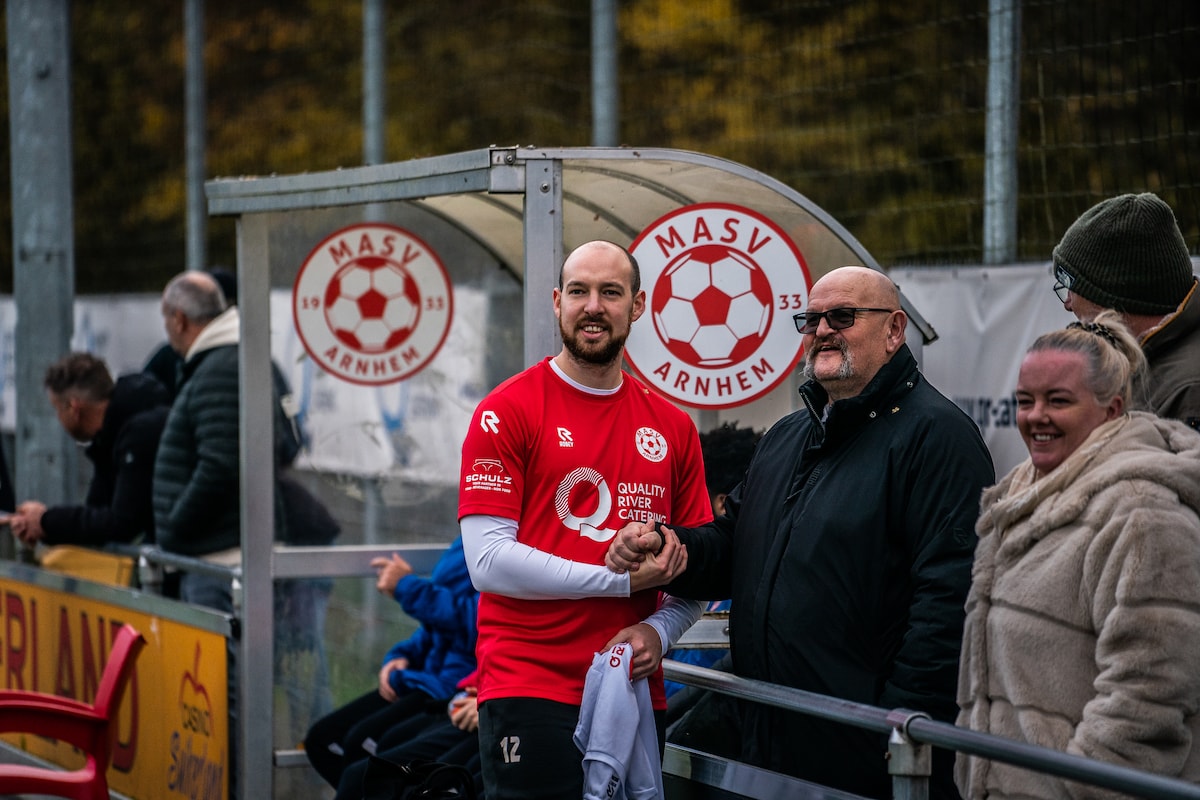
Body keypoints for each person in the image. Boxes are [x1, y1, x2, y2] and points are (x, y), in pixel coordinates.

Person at [608, 265, 995, 799]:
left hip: (870, 751)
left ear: (895, 329)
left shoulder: (938, 437)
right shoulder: (789, 434)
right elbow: (732, 544)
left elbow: (951, 599)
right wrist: (671, 544)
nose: (823, 330)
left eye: (842, 315)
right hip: (770, 739)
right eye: (811, 320)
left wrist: (901, 722)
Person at [457, 240, 714, 800]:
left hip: (634, 687)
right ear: (556, 302)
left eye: (610, 292)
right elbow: (488, 563)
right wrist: (616, 580)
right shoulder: (508, 410)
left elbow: (696, 573)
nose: (592, 305)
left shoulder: (672, 427)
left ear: (638, 305)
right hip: (529, 682)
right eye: (579, 291)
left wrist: (657, 631)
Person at [956, 312, 1200, 798]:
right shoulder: (1023, 495)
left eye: (1058, 401)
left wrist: (1074, 789)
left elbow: (1148, 697)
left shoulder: (1141, 512)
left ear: (1112, 409)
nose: (1035, 416)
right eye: (1024, 401)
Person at [304, 537, 479, 791]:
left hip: (453, 686)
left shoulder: (509, 547)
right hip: (427, 675)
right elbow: (439, 627)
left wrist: (407, 587)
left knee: (365, 750)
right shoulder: (469, 536)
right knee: (324, 740)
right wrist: (403, 654)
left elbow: (476, 623)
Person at [1051, 191, 1200, 429]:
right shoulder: (1139, 359)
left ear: (1113, 297)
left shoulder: (1189, 389)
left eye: (1070, 287)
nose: (1067, 304)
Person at [8, 353, 169, 549]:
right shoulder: (111, 435)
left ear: (74, 409)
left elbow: (121, 523)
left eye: (57, 409)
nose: (58, 419)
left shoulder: (139, 435)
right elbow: (97, 516)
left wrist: (45, 521)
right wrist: (42, 525)